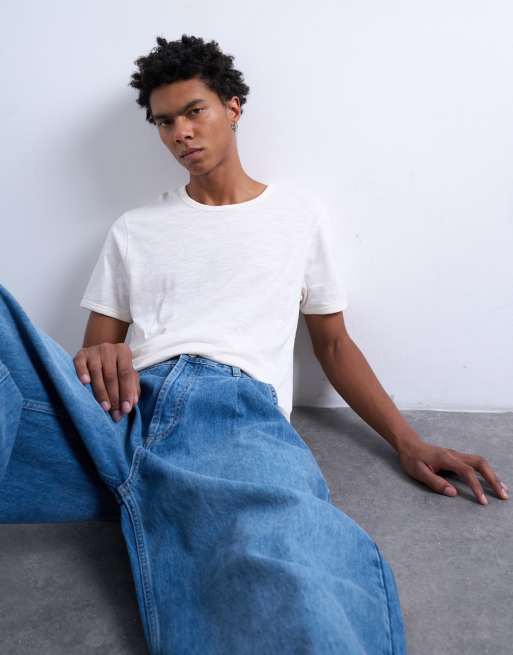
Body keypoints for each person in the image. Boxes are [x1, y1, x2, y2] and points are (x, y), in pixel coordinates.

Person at [1, 34, 506, 655]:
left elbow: (334, 344)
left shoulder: (296, 215)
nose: (180, 133)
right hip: (118, 411)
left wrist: (409, 441)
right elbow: (93, 356)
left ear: (233, 107)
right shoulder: (133, 230)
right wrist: (102, 354)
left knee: (292, 584)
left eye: (194, 111)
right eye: (164, 122)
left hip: (229, 414)